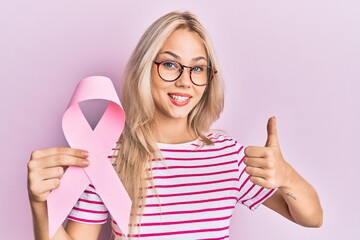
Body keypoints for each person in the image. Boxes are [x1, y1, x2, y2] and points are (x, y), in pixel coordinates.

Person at [27, 11, 323, 240]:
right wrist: (40, 205)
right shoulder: (108, 158)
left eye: (197, 68)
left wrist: (287, 176)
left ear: (209, 79)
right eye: (170, 64)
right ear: (146, 68)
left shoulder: (228, 156)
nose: (185, 80)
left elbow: (311, 218)